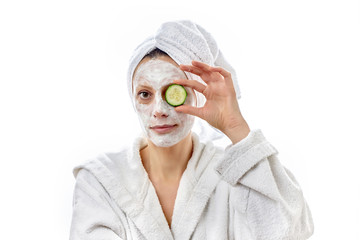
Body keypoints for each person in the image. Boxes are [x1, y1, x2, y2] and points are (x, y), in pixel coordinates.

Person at [70, 20, 314, 240]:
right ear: (132, 99)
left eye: (173, 92)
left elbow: (288, 232)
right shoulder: (100, 180)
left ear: (198, 95)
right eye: (145, 94)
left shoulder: (236, 176)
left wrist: (235, 127)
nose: (159, 110)